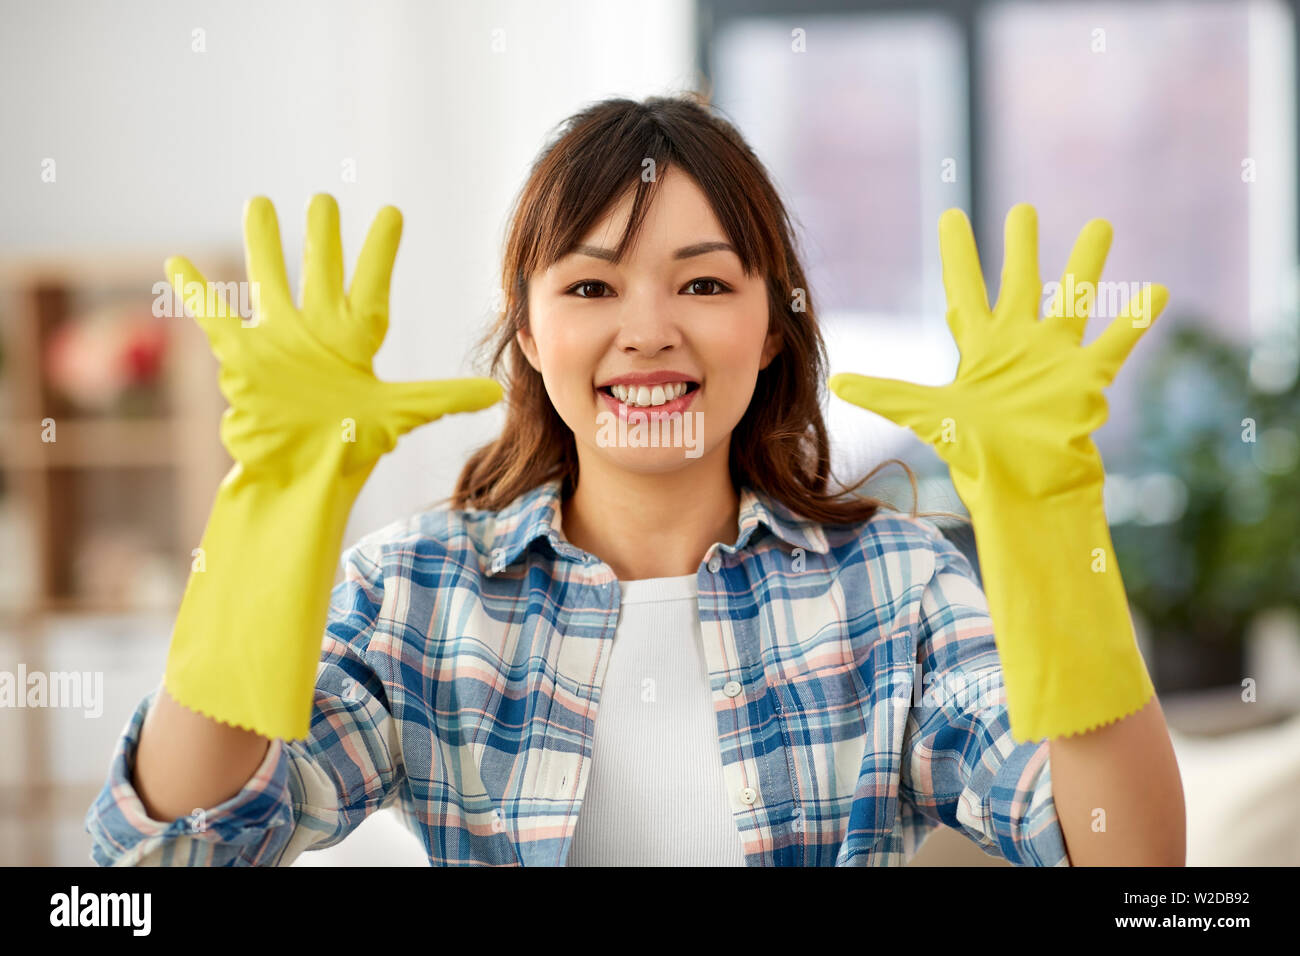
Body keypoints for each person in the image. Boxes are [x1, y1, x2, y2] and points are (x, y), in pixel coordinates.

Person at [85, 92, 1184, 866]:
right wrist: (267, 509)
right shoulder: (421, 591)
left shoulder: (892, 588)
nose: (649, 331)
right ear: (528, 329)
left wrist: (1049, 521)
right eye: (592, 287)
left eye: (703, 283)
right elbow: (166, 853)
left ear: (768, 328)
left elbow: (1125, 866)